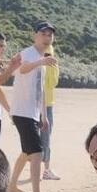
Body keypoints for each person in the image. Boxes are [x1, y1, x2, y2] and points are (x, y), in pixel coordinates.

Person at [7, 22, 57, 192]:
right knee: (36, 152)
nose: (47, 37)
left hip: (32, 113)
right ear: (35, 35)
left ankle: (12, 185)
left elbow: (40, 90)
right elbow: (22, 69)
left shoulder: (41, 58)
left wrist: (44, 115)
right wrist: (41, 62)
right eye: (43, 33)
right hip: (22, 111)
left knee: (26, 152)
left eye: (50, 35)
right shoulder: (28, 53)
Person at [41, 44, 61, 180]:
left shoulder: (37, 63)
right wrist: (54, 66)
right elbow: (52, 82)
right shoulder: (46, 66)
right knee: (45, 138)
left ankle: (41, 169)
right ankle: (46, 170)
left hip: (41, 104)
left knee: (39, 138)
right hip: (45, 104)